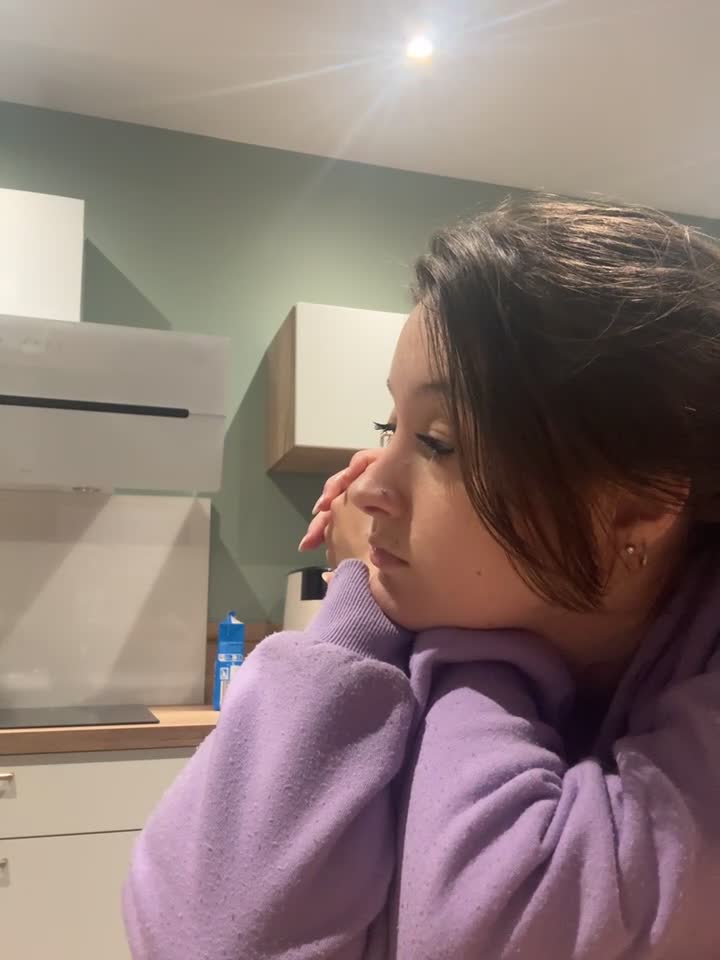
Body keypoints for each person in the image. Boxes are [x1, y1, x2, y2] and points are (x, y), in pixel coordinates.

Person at [124, 196, 720, 959]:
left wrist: (471, 648)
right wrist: (362, 610)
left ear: (638, 505)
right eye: (390, 427)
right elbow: (206, 934)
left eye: (438, 441)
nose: (369, 485)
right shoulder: (449, 608)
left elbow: (486, 928)